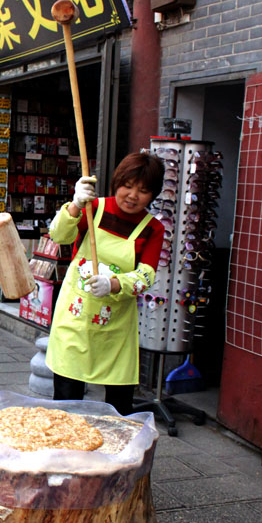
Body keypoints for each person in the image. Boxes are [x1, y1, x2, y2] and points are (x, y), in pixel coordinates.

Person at [45, 152, 165, 415]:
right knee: (66, 401)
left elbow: (146, 275)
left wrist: (114, 284)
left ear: (153, 195)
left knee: (118, 408)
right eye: (128, 186)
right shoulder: (93, 207)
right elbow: (59, 235)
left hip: (116, 327)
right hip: (75, 319)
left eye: (143, 191)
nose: (133, 195)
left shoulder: (152, 228)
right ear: (116, 182)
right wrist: (75, 205)